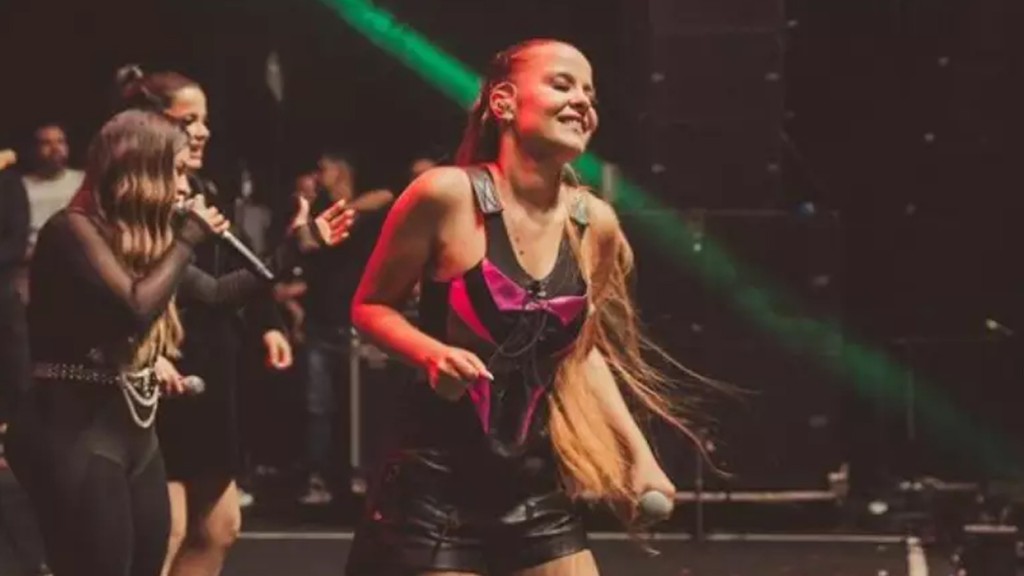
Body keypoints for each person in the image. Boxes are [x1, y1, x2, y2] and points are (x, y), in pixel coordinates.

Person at [346, 39, 712, 576]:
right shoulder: (444, 195)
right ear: (503, 103)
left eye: (590, 93)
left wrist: (639, 456)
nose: (583, 101)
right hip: (433, 490)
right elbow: (370, 306)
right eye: (562, 84)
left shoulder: (594, 223)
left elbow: (582, 353)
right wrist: (430, 353)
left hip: (533, 490)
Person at [111, 65, 354, 576]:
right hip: (160, 371)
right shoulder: (131, 203)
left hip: (211, 363)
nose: (202, 132)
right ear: (150, 125)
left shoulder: (202, 189)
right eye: (188, 121)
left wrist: (268, 320)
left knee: (220, 527)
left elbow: (232, 273)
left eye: (204, 120)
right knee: (167, 530)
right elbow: (164, 292)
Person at [2, 109, 229, 576]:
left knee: (148, 559)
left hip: (132, 434)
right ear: (145, 171)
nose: (184, 187)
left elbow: (215, 293)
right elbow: (136, 306)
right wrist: (186, 240)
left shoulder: (141, 242)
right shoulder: (71, 230)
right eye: (176, 172)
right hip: (75, 430)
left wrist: (296, 248)